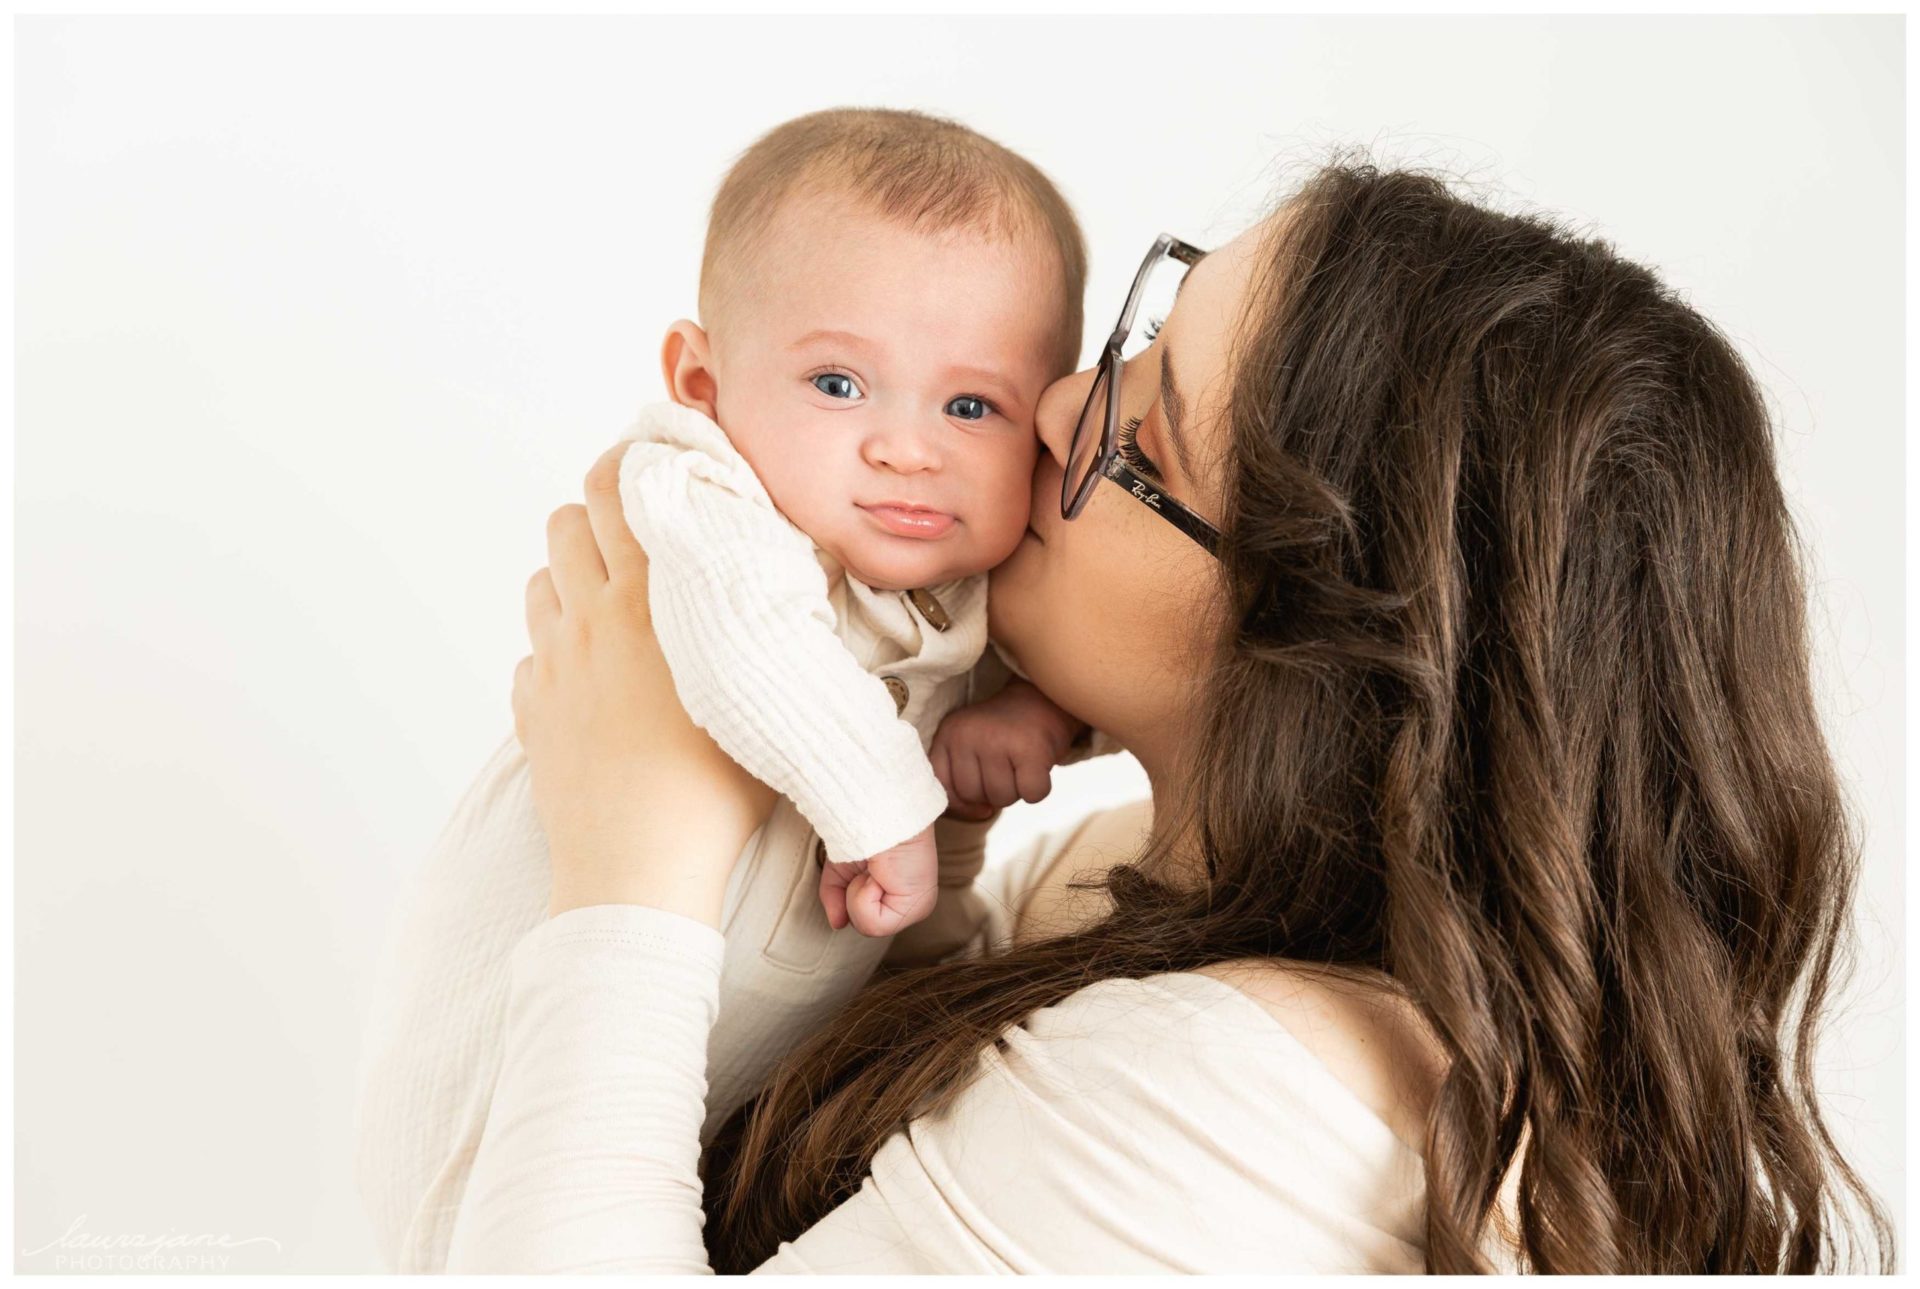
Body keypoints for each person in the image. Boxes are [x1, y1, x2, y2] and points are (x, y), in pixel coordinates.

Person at [461, 157, 1897, 1273]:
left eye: (1140, 434)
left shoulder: (1228, 1092)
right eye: (1138, 331)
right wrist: (940, 816)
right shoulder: (1144, 882)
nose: (1052, 403)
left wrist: (631, 860)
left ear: (1324, 634)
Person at [350, 107, 1118, 1273]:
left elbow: (1112, 670)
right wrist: (889, 810)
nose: (906, 447)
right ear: (703, 380)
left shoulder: (961, 582)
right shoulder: (703, 500)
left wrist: (1034, 715)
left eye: (971, 406)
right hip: (510, 1052)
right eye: (839, 382)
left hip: (705, 1099)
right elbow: (748, 643)